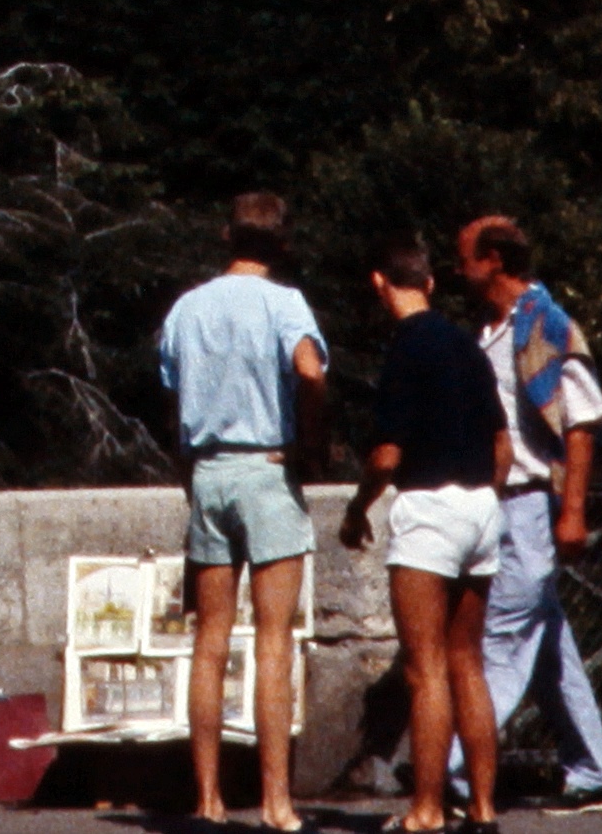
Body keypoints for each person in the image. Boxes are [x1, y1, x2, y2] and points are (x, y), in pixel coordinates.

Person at [158, 193, 332, 830]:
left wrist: (191, 470)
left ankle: (207, 799)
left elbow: (173, 401)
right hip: (265, 466)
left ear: (227, 235)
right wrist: (312, 442)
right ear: (281, 243)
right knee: (273, 642)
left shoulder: (187, 307)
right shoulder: (285, 303)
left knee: (208, 643)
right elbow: (310, 372)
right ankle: (277, 803)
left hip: (208, 470)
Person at [455, 214, 602, 811]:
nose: (458, 268)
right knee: (548, 647)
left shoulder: (546, 325)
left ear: (494, 259)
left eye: (466, 257)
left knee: (500, 640)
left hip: (529, 505)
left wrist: (572, 511)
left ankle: (451, 770)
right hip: (503, 505)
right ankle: (592, 773)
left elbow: (580, 422)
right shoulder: (491, 333)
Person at [344, 240, 505, 834]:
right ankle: (484, 807)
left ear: (379, 282)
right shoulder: (467, 344)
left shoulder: (404, 350)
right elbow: (502, 445)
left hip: (429, 506)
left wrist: (358, 507)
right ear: (431, 284)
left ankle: (426, 810)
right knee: (469, 663)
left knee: (425, 668)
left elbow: (387, 455)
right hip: (482, 505)